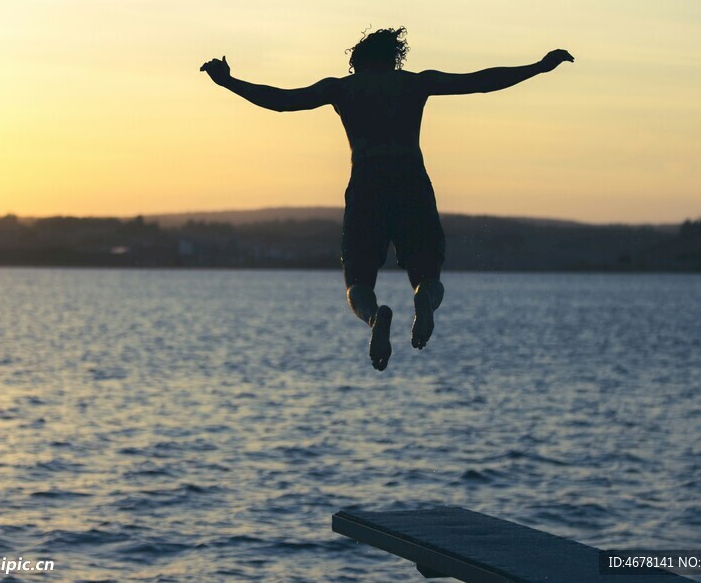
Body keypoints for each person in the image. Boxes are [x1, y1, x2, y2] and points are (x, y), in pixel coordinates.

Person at [201, 27, 573, 370]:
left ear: (357, 61)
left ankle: (375, 317)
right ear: (395, 57)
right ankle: (424, 299)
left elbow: (282, 101)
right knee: (428, 274)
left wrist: (228, 82)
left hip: (367, 184)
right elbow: (480, 82)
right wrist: (539, 67)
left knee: (358, 283)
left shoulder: (343, 89)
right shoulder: (415, 84)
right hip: (411, 181)